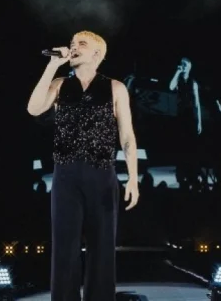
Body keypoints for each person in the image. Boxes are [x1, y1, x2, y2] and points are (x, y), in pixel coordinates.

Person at [27, 30, 140, 301]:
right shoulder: (59, 84)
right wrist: (52, 65)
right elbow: (33, 108)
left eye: (81, 44)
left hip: (102, 174)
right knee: (64, 247)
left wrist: (133, 178)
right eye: (72, 43)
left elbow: (127, 136)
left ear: (96, 54)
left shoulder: (115, 87)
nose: (73, 47)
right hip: (66, 175)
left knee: (102, 247)